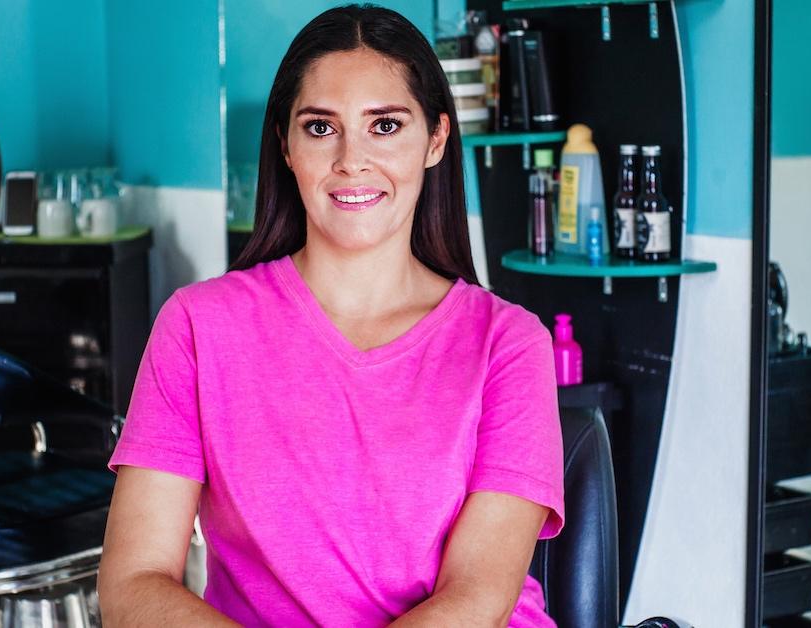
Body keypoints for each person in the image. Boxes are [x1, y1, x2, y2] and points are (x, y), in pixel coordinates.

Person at [98, 5, 564, 626]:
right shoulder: (197, 327)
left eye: (386, 126)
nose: (352, 160)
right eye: (321, 128)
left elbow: (475, 599)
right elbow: (134, 583)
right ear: (286, 148)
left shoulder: (506, 343)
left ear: (435, 140)